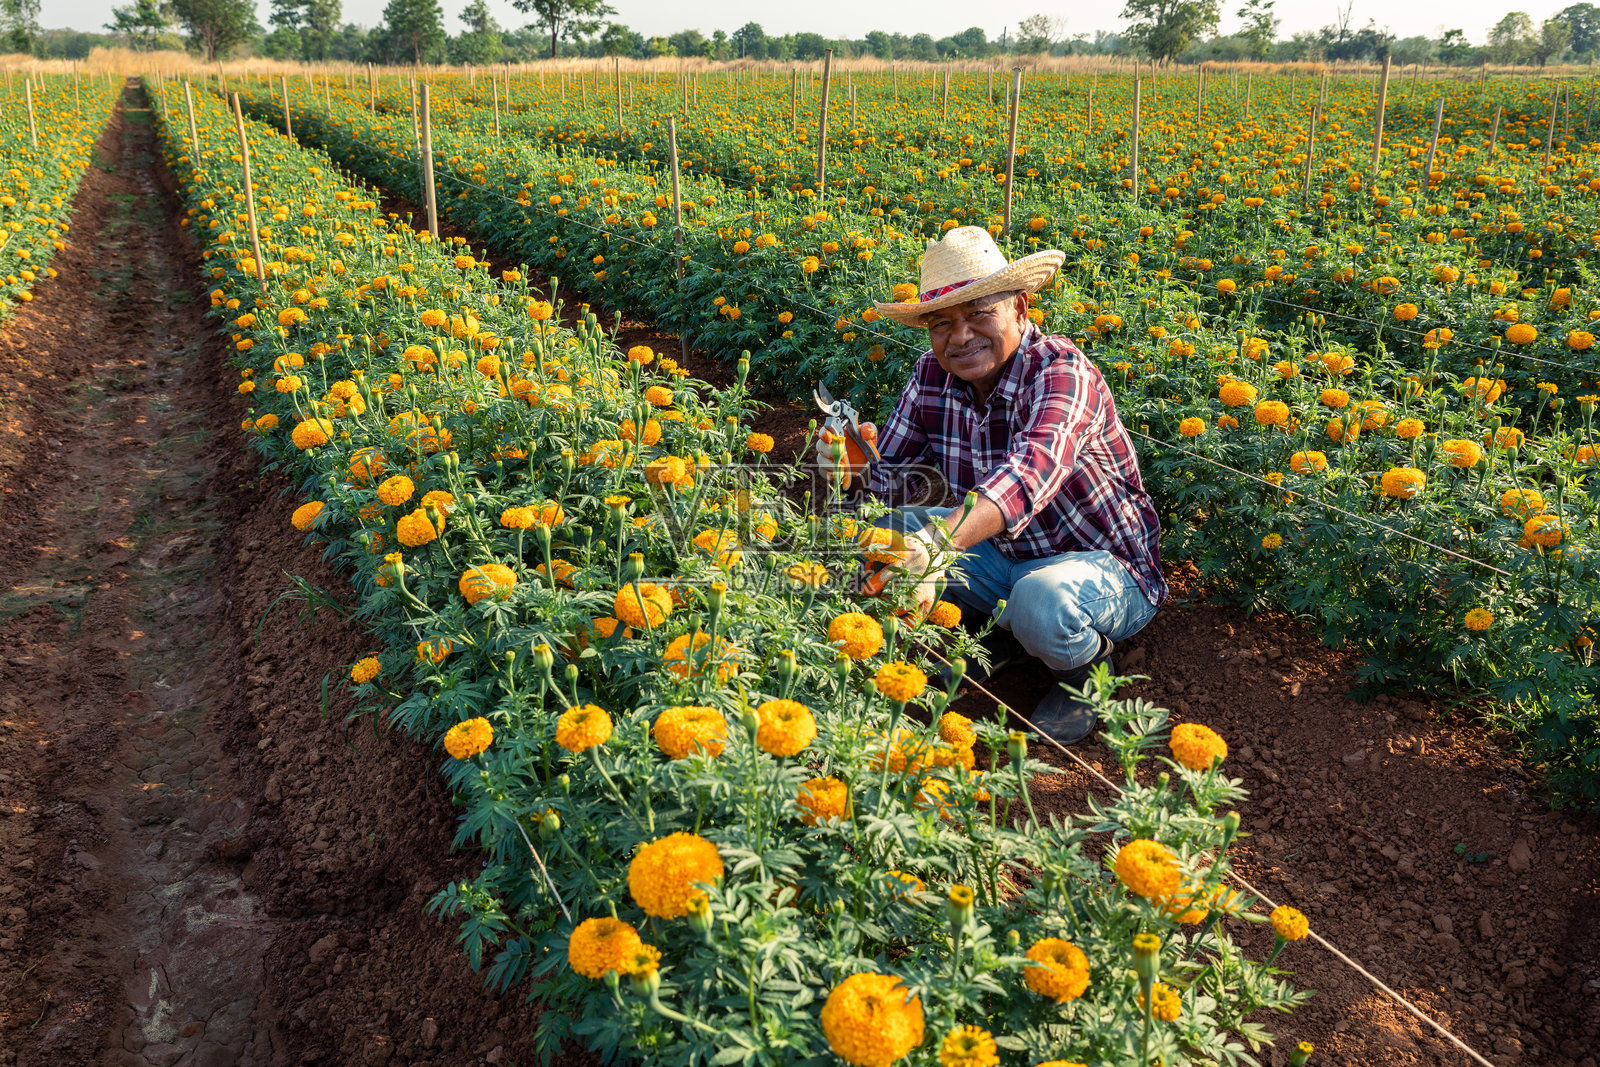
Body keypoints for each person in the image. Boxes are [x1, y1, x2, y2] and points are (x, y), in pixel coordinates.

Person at [816, 226, 1166, 743]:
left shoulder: (1062, 372)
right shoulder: (930, 376)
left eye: (979, 313)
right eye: (941, 323)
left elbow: (1030, 472)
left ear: (1021, 307)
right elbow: (886, 483)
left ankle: (1085, 676)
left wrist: (935, 545)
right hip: (1001, 551)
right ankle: (999, 637)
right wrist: (853, 467)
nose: (960, 337)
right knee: (884, 535)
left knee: (1040, 602)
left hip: (1103, 567)